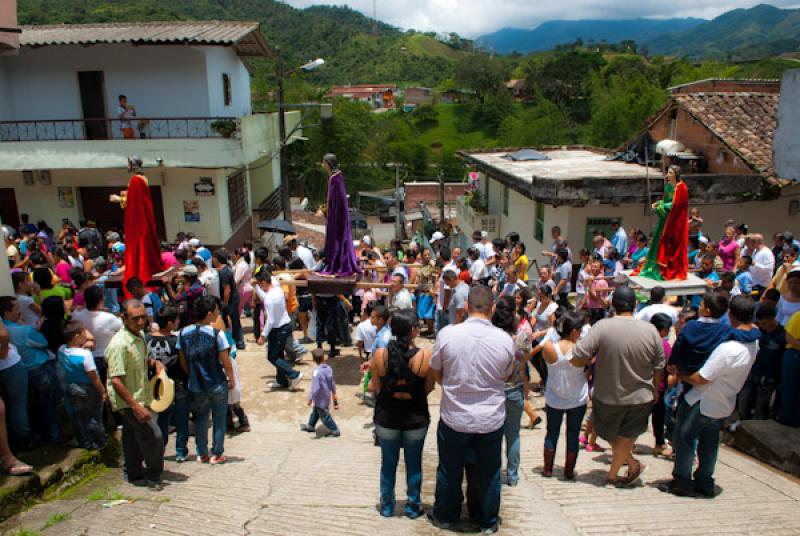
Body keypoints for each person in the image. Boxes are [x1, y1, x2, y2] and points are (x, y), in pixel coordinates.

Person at [428, 286, 514, 533]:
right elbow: (507, 375)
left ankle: (446, 515)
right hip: (491, 418)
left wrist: (450, 384)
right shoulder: (505, 340)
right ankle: (485, 519)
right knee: (488, 472)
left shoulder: (447, 335)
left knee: (449, 468)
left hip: (455, 416)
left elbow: (436, 370)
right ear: (493, 308)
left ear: (466, 306)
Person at [662, 296, 758, 497]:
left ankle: (682, 481)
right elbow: (751, 332)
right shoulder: (753, 342)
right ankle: (705, 481)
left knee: (684, 438)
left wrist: (680, 374)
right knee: (710, 441)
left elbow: (702, 378)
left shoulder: (728, 349)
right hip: (725, 401)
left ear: (730, 314)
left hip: (702, 400)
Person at [572, 286, 665, 487]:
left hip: (608, 395)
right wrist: (656, 389)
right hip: (641, 396)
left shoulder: (602, 327)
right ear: (635, 304)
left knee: (610, 434)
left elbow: (579, 354)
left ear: (612, 304)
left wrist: (588, 365)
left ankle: (613, 476)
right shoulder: (650, 330)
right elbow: (659, 365)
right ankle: (631, 464)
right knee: (625, 437)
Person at [371, 309, 432, 518]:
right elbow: (428, 388)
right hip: (415, 417)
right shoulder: (424, 356)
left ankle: (387, 505)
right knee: (414, 464)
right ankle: (413, 505)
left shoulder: (380, 355)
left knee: (388, 463)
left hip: (387, 416)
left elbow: (376, 387)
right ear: (413, 331)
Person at [106, 300, 165, 490]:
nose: (141, 322)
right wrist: (136, 406)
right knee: (153, 436)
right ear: (124, 318)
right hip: (128, 401)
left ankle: (134, 473)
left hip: (139, 395)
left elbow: (140, 360)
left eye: (143, 317)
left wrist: (153, 363)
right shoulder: (119, 344)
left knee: (131, 437)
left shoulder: (139, 336)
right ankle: (154, 476)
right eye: (135, 318)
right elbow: (116, 380)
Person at [177, 297, 234, 464]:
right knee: (219, 418)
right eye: (216, 310)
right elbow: (226, 360)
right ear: (209, 314)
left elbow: (183, 361)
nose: (218, 313)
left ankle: (202, 453)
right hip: (216, 382)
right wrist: (230, 379)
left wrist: (192, 374)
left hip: (195, 384)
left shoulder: (183, 333)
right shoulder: (217, 334)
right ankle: (217, 453)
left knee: (201, 418)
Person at [1, 296, 61, 445]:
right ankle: (53, 436)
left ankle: (32, 434)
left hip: (25, 370)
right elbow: (43, 343)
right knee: (48, 404)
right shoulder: (24, 330)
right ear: (6, 314)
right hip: (39, 369)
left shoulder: (8, 328)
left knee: (31, 405)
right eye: (16, 309)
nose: (20, 312)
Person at [541, 311, 588, 480]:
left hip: (554, 397)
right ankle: (568, 471)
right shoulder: (581, 350)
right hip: (577, 398)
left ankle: (547, 469)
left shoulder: (549, 347)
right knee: (573, 434)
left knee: (551, 432)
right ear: (575, 331)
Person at [109, 156, 164, 298]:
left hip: (138, 223)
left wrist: (119, 199)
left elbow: (135, 202)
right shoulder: (142, 179)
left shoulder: (136, 180)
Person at [145, 306, 191, 461]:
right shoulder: (176, 340)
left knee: (163, 419)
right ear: (170, 323)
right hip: (177, 382)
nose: (178, 322)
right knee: (181, 418)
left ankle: (160, 449)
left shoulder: (147, 339)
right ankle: (180, 451)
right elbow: (183, 362)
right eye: (176, 319)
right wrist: (189, 376)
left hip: (157, 385)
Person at [492, 296, 528, 487]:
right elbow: (525, 360)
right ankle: (512, 475)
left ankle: (494, 471)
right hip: (515, 388)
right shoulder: (521, 336)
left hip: (495, 390)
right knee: (513, 434)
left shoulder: (491, 336)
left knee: (494, 434)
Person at [58, 321, 108, 450]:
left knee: (79, 417)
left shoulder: (62, 349)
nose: (87, 334)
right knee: (95, 417)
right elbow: (93, 377)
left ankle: (84, 442)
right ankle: (100, 443)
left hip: (73, 387)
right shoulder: (85, 355)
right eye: (84, 332)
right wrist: (102, 391)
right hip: (89, 388)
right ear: (76, 336)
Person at [635, 165, 688, 281]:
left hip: (675, 222)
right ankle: (655, 267)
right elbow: (666, 201)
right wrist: (658, 203)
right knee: (657, 241)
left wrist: (661, 206)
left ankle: (669, 269)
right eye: (668, 172)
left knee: (671, 244)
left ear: (676, 174)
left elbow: (676, 205)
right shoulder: (668, 186)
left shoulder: (682, 187)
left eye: (670, 173)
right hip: (665, 219)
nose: (668, 175)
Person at [254, 269, 303, 391]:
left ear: (264, 282)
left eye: (260, 284)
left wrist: (262, 336)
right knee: (279, 353)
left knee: (272, 356)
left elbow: (270, 320)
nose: (260, 287)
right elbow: (265, 295)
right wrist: (256, 286)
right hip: (284, 326)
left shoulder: (270, 298)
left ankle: (294, 374)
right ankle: (282, 381)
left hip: (278, 329)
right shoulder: (277, 288)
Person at [738, 303, 784, 420]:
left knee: (761, 407)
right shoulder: (757, 330)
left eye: (764, 323)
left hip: (768, 377)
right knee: (743, 401)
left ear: (772, 319)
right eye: (759, 323)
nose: (762, 326)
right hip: (752, 372)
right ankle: (742, 425)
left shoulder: (782, 335)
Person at [319, 154, 361, 276]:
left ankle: (336, 265)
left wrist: (325, 211)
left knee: (337, 240)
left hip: (337, 217)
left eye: (323, 162)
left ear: (328, 163)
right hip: (337, 215)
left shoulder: (335, 179)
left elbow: (336, 202)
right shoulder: (336, 177)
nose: (322, 165)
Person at [0, 311, 32, 450]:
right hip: (10, 364)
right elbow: (3, 334)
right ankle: (24, 438)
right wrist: (4, 349)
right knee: (18, 403)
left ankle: (12, 439)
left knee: (7, 404)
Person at [301, 348, 340, 437]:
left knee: (324, 416)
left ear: (313, 359)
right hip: (326, 396)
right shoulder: (328, 368)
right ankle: (310, 425)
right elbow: (332, 382)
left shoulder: (316, 372)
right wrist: (334, 392)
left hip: (319, 398)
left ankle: (335, 430)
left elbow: (315, 389)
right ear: (323, 358)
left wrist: (311, 398)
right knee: (315, 411)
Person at [213, 249, 243, 349]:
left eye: (214, 257)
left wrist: (224, 304)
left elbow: (227, 290)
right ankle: (239, 342)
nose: (213, 259)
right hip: (234, 298)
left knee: (229, 321)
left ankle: (233, 342)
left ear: (217, 259)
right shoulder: (227, 268)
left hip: (230, 300)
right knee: (235, 320)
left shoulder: (223, 272)